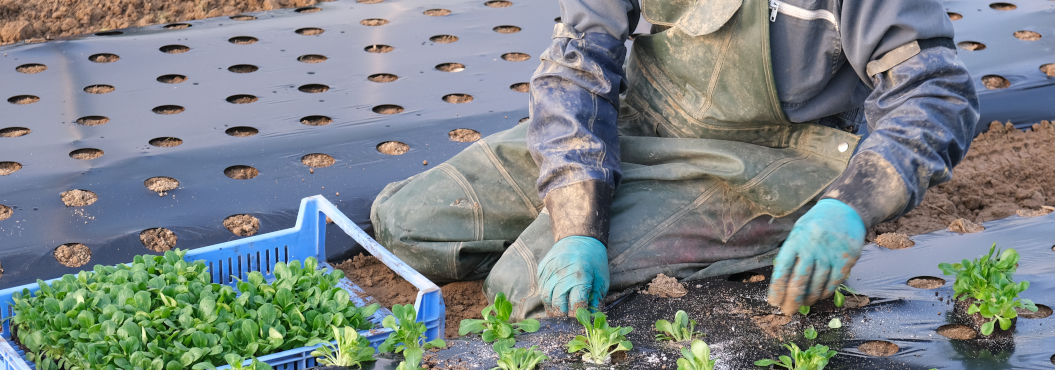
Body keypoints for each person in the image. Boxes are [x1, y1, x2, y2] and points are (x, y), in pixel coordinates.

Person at [371, 0, 978, 319]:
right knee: (407, 222)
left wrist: (852, 204)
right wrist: (578, 224)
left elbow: (936, 93)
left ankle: (789, 226)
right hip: (645, 116)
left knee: (525, 290)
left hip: (770, 159)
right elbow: (579, 62)